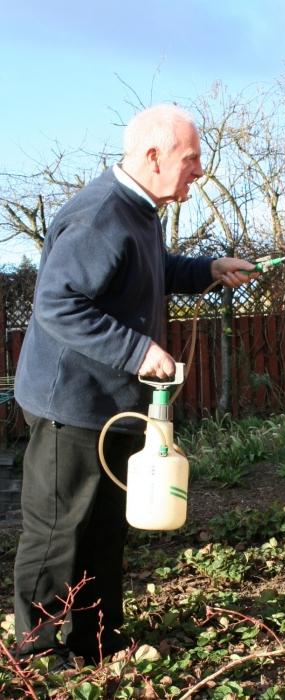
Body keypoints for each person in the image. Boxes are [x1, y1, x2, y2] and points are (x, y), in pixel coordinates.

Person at [13, 104, 255, 666]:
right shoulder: (100, 214)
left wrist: (208, 270)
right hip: (69, 404)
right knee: (57, 534)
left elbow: (152, 269)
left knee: (103, 530)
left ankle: (96, 640)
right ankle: (37, 656)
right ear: (153, 156)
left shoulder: (141, 212)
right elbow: (56, 304)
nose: (199, 171)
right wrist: (137, 349)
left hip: (114, 405)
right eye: (191, 160)